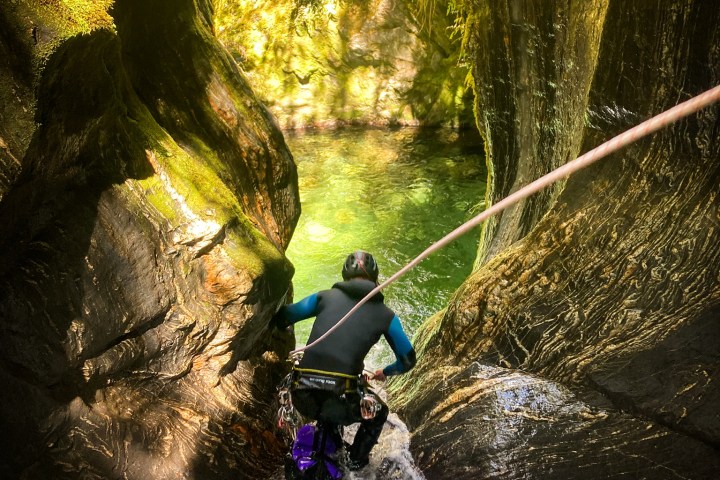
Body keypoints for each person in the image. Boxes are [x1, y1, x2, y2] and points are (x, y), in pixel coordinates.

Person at [272, 250, 416, 471]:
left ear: (344, 275)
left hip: (302, 395)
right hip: (341, 402)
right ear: (376, 277)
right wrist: (386, 371)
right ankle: (355, 461)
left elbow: (285, 316)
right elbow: (407, 360)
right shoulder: (386, 316)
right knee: (379, 413)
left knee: (328, 400)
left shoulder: (322, 297)